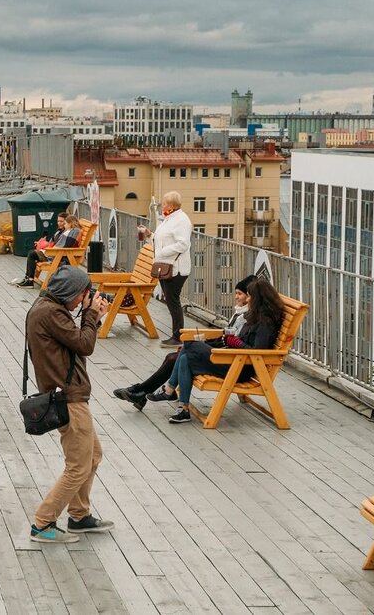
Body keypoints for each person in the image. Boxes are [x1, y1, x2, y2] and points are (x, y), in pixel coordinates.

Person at [27, 265, 113, 543]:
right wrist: (91, 315)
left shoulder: (45, 307)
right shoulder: (51, 313)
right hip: (69, 397)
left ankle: (79, 515)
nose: (82, 300)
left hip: (68, 394)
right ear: (72, 292)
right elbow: (84, 344)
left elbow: (75, 342)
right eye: (82, 295)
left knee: (93, 456)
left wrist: (91, 315)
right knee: (78, 465)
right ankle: (43, 522)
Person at [113, 275, 256, 411]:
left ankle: (142, 391)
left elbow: (232, 342)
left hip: (228, 361)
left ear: (251, 297)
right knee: (173, 356)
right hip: (225, 356)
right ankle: (141, 392)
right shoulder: (240, 313)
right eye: (236, 293)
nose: (237, 297)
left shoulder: (247, 317)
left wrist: (202, 345)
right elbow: (226, 338)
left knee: (178, 356)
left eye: (241, 294)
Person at [164, 279, 284, 424]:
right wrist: (231, 341)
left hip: (240, 367)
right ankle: (183, 408)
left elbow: (257, 352)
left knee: (190, 344)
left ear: (258, 298)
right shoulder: (255, 316)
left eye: (251, 296)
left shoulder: (265, 324)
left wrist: (236, 342)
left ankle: (169, 388)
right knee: (185, 358)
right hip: (232, 360)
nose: (249, 299)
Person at [137, 191, 193, 348]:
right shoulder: (168, 219)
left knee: (172, 300)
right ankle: (177, 335)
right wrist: (149, 235)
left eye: (165, 204)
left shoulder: (181, 220)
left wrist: (163, 252)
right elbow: (160, 239)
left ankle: (178, 336)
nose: (162, 206)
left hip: (177, 268)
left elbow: (183, 244)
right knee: (170, 301)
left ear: (173, 205)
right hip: (165, 267)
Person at [15, 212, 76, 288]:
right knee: (32, 253)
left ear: (68, 222)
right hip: (52, 252)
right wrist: (41, 244)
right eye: (58, 221)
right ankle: (28, 278)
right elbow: (52, 242)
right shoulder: (59, 231)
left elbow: (63, 245)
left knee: (32, 254)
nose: (59, 223)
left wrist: (48, 249)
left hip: (56, 256)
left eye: (62, 221)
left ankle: (30, 280)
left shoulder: (67, 233)